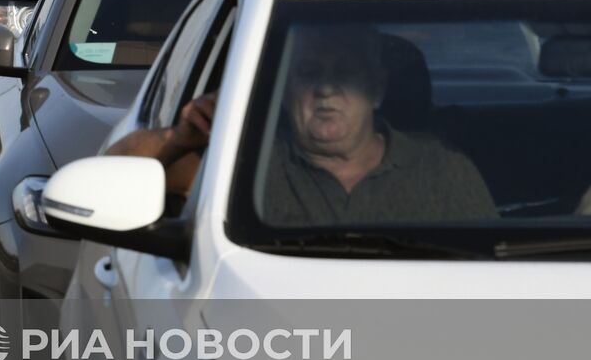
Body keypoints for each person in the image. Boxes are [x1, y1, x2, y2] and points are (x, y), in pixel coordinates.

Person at [109, 26, 497, 224]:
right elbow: (113, 174)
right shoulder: (245, 166)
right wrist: (177, 139)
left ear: (376, 89)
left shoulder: (442, 172)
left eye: (345, 74)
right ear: (283, 89)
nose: (327, 88)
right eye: (310, 73)